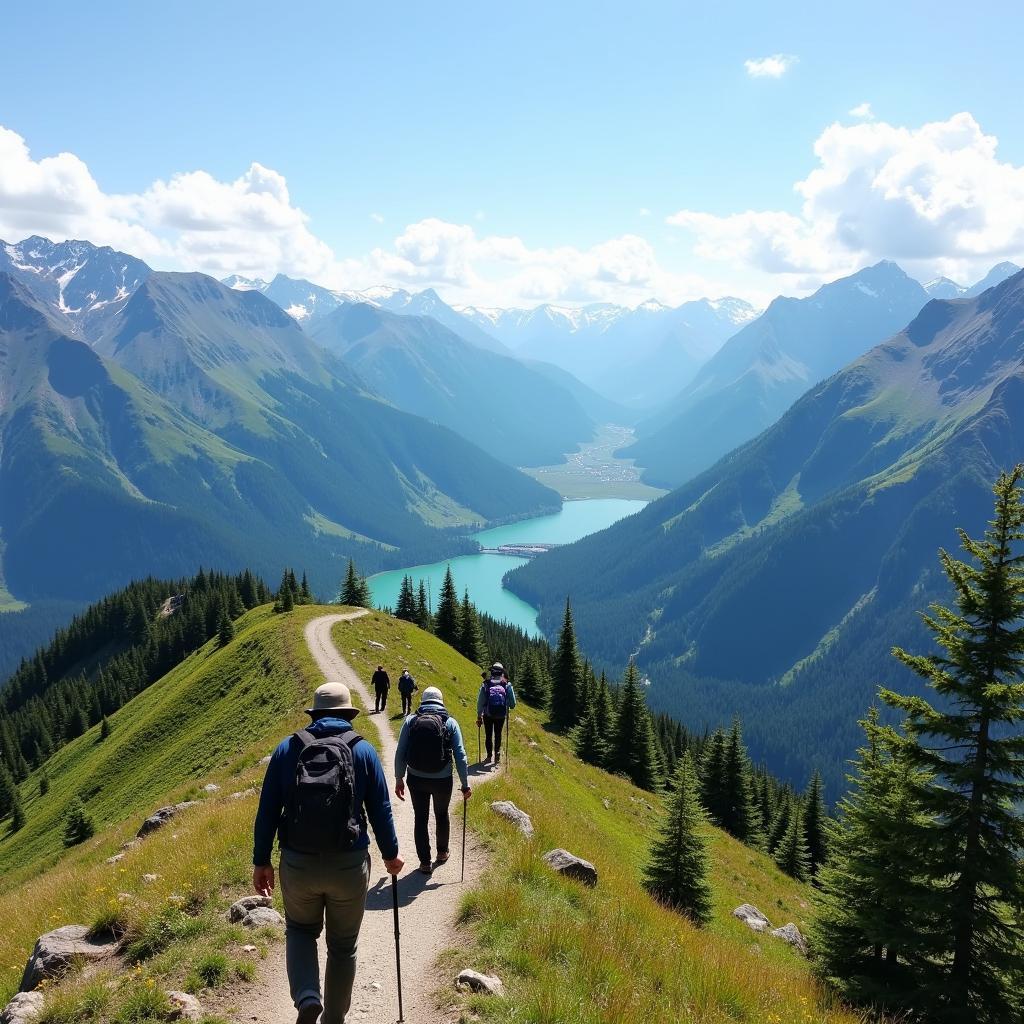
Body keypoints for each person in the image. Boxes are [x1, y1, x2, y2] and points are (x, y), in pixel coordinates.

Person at [253, 681, 403, 1024]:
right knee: (343, 945)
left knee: (301, 931)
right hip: (349, 865)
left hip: (298, 862)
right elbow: (381, 809)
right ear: (348, 714)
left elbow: (267, 811)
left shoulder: (287, 749)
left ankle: (307, 996)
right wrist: (391, 854)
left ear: (315, 713)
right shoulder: (362, 751)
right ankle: (333, 1018)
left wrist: (261, 860)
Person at [394, 685, 471, 874]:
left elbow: (400, 751)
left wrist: (399, 778)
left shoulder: (410, 720)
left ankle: (425, 862)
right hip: (442, 779)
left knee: (420, 818)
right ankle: (442, 853)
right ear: (441, 701)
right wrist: (465, 784)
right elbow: (460, 755)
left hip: (415, 777)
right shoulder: (450, 722)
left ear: (423, 701)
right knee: (441, 814)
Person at [477, 662, 516, 765]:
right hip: (501, 714)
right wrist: (508, 705)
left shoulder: (486, 683)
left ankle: (489, 756)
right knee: (498, 734)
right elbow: (513, 704)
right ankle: (497, 755)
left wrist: (479, 715)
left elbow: (480, 701)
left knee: (488, 735)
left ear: (492, 671)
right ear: (501, 672)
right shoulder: (506, 684)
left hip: (487, 714)